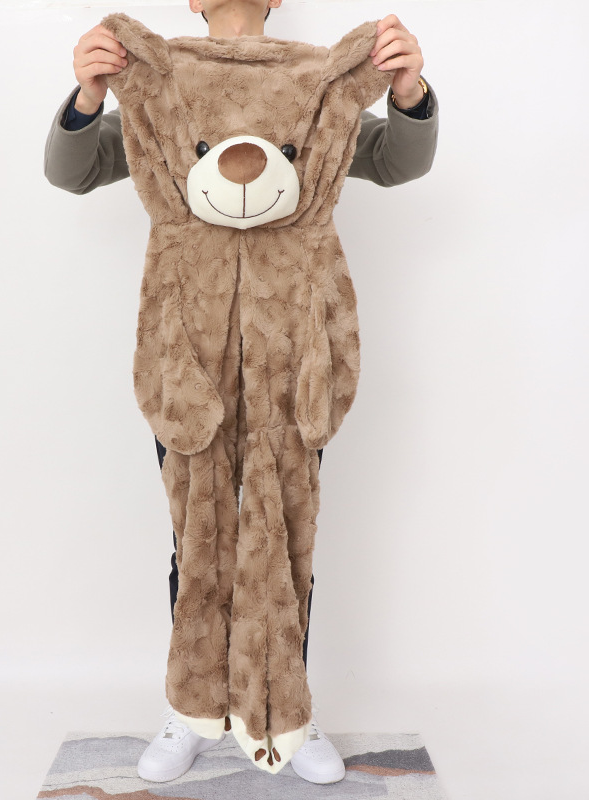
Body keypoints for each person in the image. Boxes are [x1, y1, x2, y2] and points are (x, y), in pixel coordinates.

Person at [43, 0, 438, 785]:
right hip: (188, 352)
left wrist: (409, 91)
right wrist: (87, 96)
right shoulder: (165, 85)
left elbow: (396, 161)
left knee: (286, 527)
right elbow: (73, 171)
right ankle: (191, 707)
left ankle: (287, 707)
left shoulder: (310, 85)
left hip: (293, 355)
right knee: (194, 529)